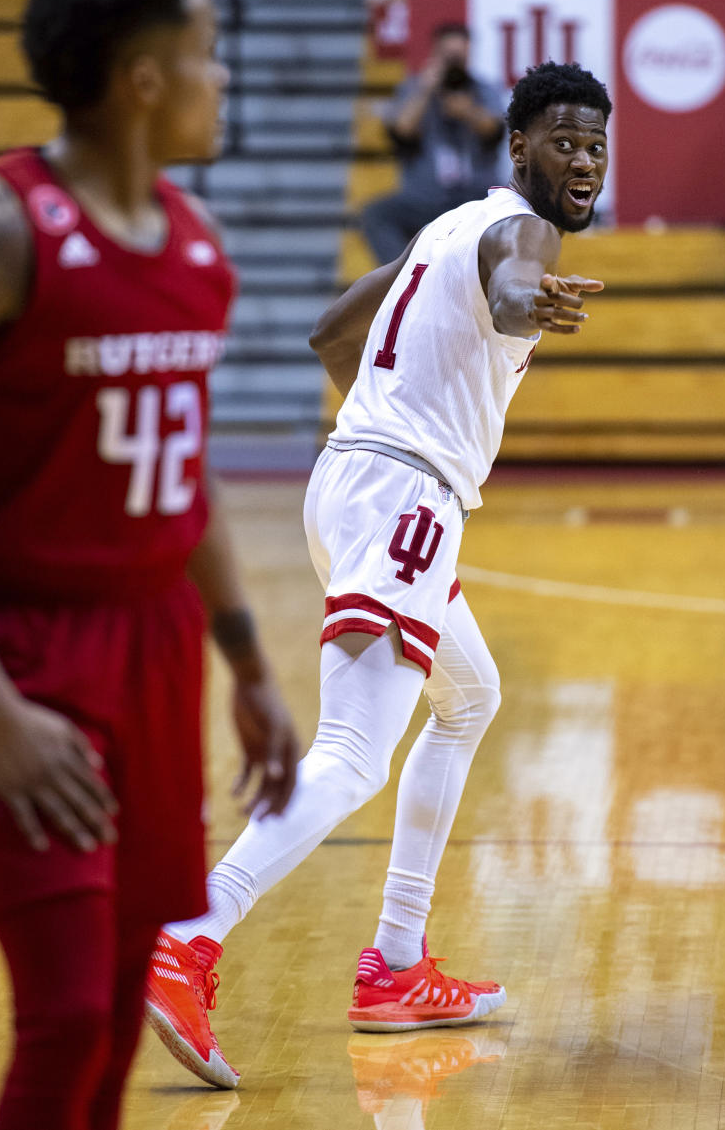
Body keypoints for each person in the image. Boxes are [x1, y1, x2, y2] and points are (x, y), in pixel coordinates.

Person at [0, 0, 298, 1127]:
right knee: (61, 1014)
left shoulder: (196, 247)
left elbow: (180, 470)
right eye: (206, 55)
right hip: (18, 648)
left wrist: (248, 664)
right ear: (143, 80)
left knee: (110, 1009)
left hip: (154, 649)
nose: (222, 77)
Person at [146, 60, 610, 1089]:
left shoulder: (441, 229)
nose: (582, 162)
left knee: (471, 695)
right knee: (356, 753)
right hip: (404, 502)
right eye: (564, 143)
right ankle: (188, 935)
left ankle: (396, 962)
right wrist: (527, 302)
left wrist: (387, 423)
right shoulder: (520, 236)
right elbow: (514, 280)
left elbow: (329, 333)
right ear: (519, 147)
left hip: (354, 486)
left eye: (595, 146)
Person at [360, 23, 506, 265]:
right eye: (448, 55)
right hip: (425, 199)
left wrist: (468, 111)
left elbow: (495, 130)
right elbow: (401, 131)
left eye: (459, 56)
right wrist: (426, 90)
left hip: (476, 198)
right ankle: (402, 278)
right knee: (376, 214)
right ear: (435, 54)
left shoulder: (483, 89)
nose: (453, 63)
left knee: (511, 212)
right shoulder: (415, 88)